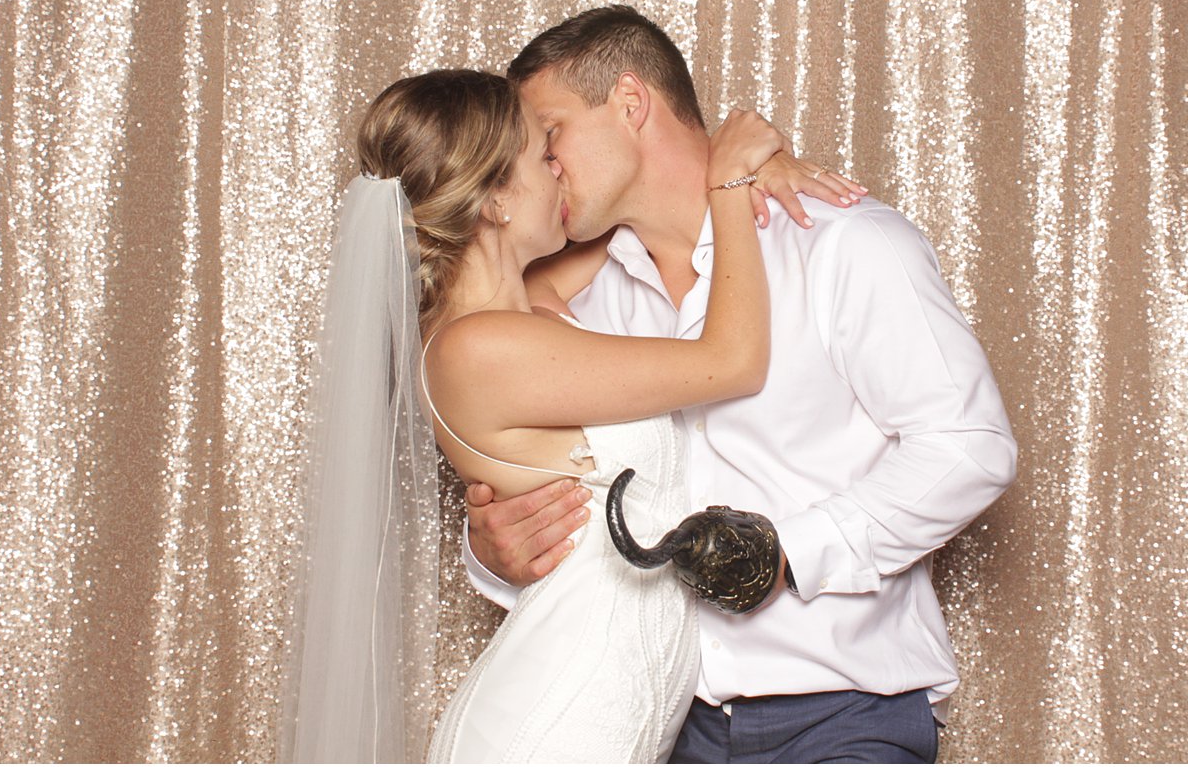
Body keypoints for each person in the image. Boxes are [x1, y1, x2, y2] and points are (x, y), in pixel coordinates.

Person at [465, 5, 1019, 764]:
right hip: (662, 727)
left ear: (630, 103)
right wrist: (492, 552)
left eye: (549, 133)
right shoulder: (571, 306)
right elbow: (545, 483)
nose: (540, 166)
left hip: (845, 716)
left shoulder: (842, 246)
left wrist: (788, 552)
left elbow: (970, 446)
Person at [280, 68, 862, 764]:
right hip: (555, 725)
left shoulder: (520, 313)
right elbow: (731, 359)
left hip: (606, 719)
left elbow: (625, 208)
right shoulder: (482, 347)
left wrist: (726, 164)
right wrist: (727, 184)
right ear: (496, 198)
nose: (562, 171)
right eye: (542, 154)